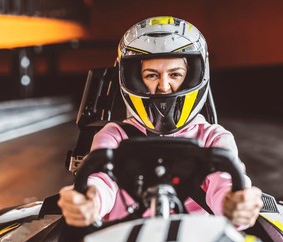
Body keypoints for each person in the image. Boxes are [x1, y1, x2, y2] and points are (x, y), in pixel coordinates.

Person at [58, 16, 263, 229]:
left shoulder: (215, 138)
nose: (164, 86)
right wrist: (88, 201)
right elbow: (100, 181)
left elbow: (225, 186)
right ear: (135, 79)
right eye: (151, 75)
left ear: (192, 76)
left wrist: (237, 205)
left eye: (175, 74)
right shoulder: (114, 135)